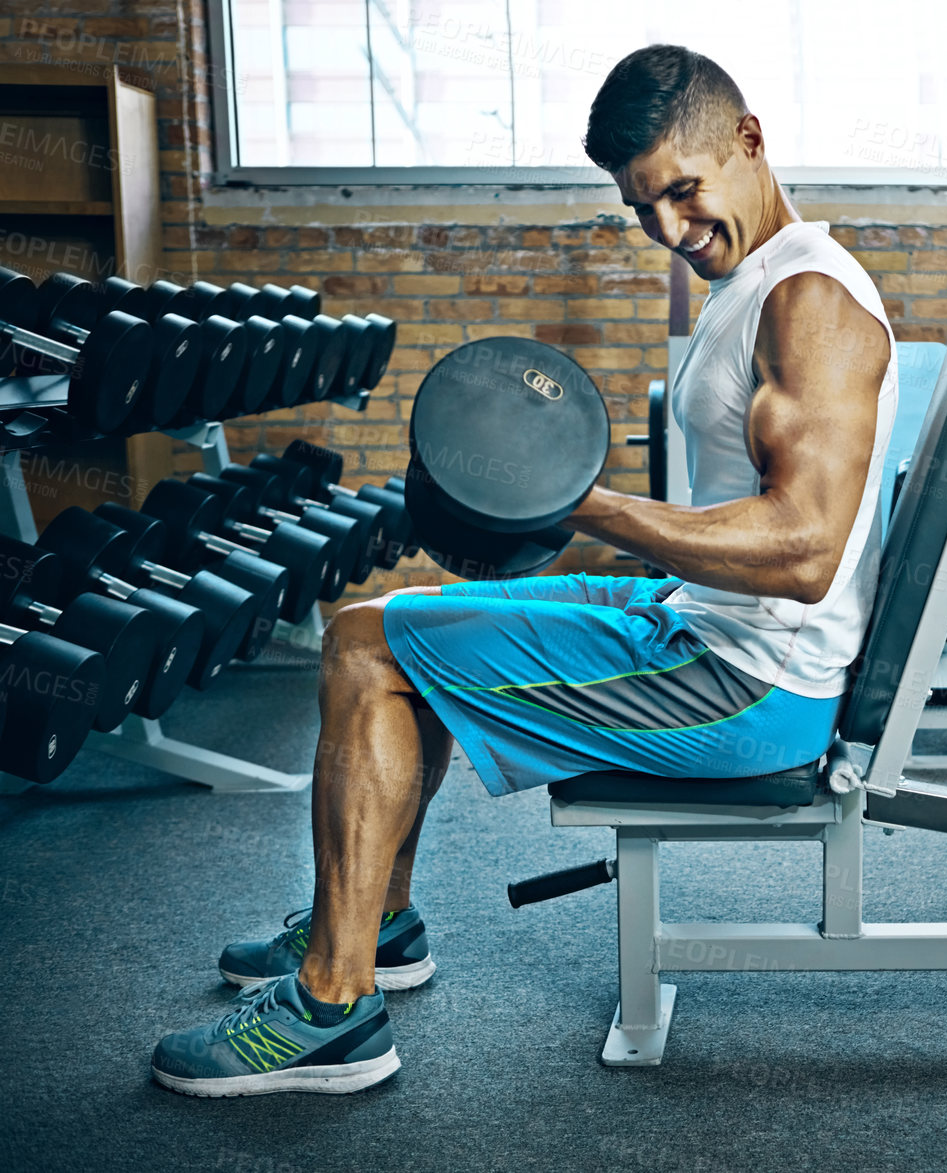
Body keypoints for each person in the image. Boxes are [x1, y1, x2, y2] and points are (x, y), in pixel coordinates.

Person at [151, 43, 897, 1096]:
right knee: (391, 619)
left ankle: (332, 1004)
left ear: (748, 141)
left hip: (744, 685)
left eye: (682, 193)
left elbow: (806, 549)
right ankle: (378, 925)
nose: (670, 232)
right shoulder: (759, 282)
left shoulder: (805, 304)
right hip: (705, 626)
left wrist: (579, 502)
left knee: (368, 651)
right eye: (643, 209)